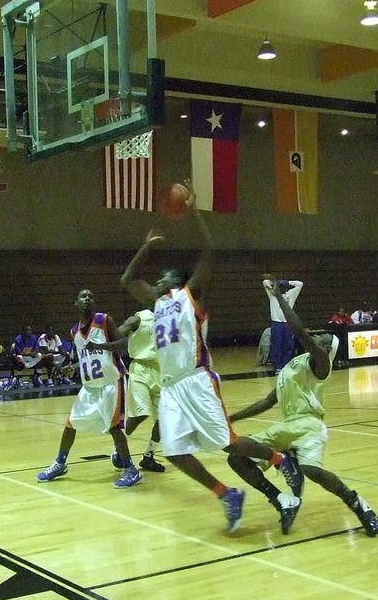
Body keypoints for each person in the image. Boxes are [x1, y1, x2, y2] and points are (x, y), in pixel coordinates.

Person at [120, 180, 304, 532]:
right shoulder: (156, 304)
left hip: (196, 378)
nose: (157, 280)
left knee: (228, 444)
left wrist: (194, 211)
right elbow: (127, 278)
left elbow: (211, 250)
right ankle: (226, 494)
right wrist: (144, 247)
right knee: (174, 452)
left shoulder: (191, 296)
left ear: (178, 281)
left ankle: (282, 461)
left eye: (164, 276)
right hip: (171, 387)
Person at [228, 278, 378, 537]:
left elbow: (299, 332)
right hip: (288, 426)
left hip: (310, 425)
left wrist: (279, 299)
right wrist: (233, 416)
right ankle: (281, 500)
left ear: (326, 349)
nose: (319, 336)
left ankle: (359, 504)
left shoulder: (321, 363)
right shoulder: (293, 364)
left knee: (313, 471)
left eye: (323, 338)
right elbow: (268, 401)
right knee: (236, 457)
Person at [35, 289, 141, 489]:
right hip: (90, 387)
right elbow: (86, 357)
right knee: (70, 425)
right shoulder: (74, 331)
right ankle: (60, 463)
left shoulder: (104, 320)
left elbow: (124, 344)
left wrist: (102, 345)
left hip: (112, 382)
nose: (87, 299)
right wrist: (72, 367)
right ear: (76, 302)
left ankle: (131, 470)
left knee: (114, 427)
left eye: (90, 296)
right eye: (83, 296)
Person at [117, 308, 166, 472]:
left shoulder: (169, 318)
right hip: (140, 368)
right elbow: (117, 333)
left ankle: (148, 457)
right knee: (141, 413)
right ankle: (119, 448)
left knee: (163, 420)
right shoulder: (139, 317)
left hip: (160, 371)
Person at [264, 275, 304, 372]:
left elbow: (300, 284)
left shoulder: (291, 294)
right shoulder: (272, 294)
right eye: (280, 287)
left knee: (288, 345)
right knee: (276, 345)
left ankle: (285, 365)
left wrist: (288, 282)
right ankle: (278, 367)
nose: (282, 289)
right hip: (276, 323)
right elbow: (265, 282)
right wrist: (276, 282)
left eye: (283, 287)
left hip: (288, 323)